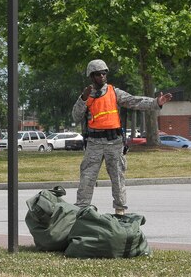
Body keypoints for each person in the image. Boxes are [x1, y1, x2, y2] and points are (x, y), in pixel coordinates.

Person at [72, 59, 172, 215]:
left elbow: (134, 101)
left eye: (104, 73)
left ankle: (120, 212)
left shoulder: (114, 92)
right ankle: (81, 212)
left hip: (114, 142)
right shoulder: (86, 96)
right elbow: (76, 117)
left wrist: (156, 102)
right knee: (87, 178)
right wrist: (83, 99)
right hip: (94, 143)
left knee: (118, 178)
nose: (102, 77)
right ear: (91, 76)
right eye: (98, 74)